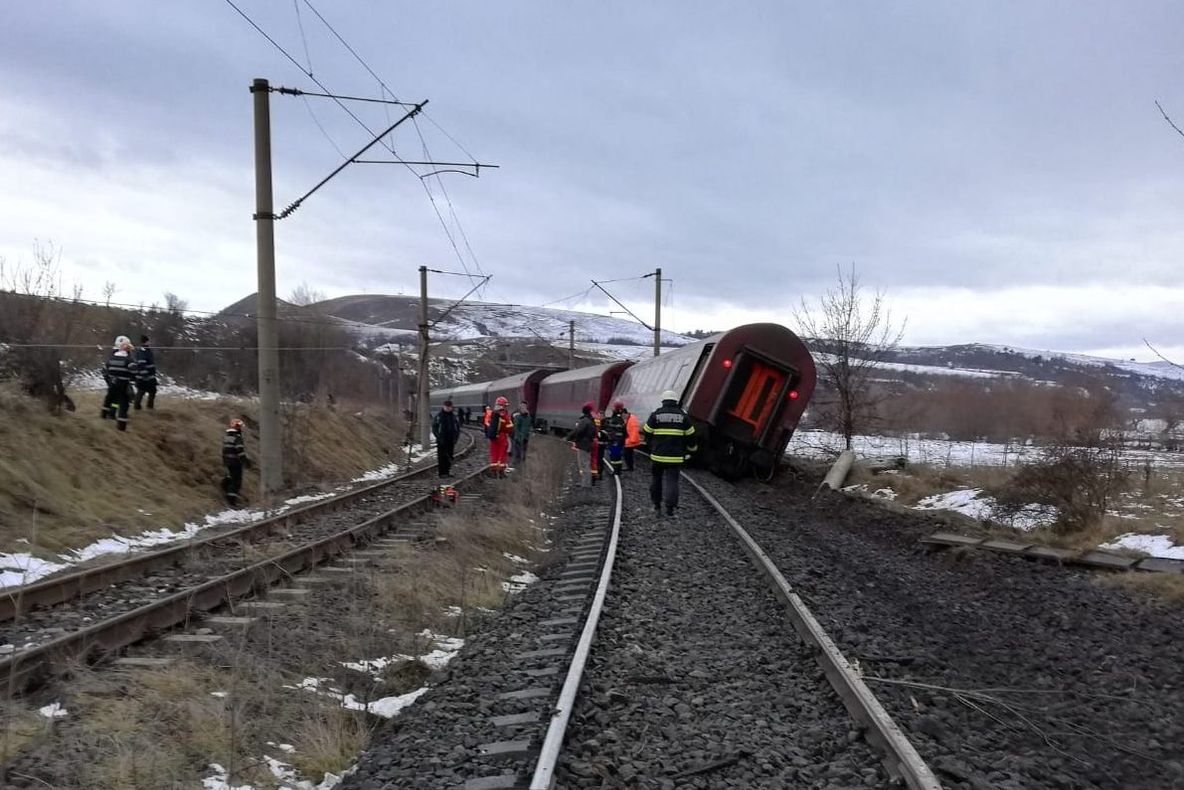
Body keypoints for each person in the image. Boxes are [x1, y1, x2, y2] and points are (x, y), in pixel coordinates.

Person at [642, 389, 697, 517]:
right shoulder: (683, 416)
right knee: (672, 481)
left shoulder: (656, 414)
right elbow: (692, 435)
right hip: (675, 457)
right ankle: (670, 509)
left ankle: (656, 506)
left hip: (658, 456)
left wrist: (651, 445)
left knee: (656, 479)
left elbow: (646, 431)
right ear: (676, 401)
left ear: (663, 401)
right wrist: (691, 449)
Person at [101, 335, 138, 431]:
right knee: (123, 403)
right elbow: (133, 370)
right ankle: (121, 425)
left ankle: (105, 416)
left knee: (110, 399)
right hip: (123, 383)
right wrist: (133, 377)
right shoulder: (127, 358)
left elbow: (105, 370)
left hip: (113, 383)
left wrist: (109, 380)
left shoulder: (111, 357)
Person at [565, 402, 597, 487]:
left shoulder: (584, 421)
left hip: (583, 445)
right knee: (585, 464)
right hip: (587, 444)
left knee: (584, 464)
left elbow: (578, 430)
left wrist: (568, 437)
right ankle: (585, 482)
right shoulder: (591, 420)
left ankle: (586, 484)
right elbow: (593, 433)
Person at [222, 418, 251, 505]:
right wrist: (245, 461)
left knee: (230, 478)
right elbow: (240, 451)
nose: (241, 429)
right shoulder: (237, 438)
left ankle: (226, 488)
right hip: (235, 462)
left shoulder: (227, 437)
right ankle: (231, 500)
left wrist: (224, 461)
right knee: (236, 481)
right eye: (240, 427)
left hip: (228, 461)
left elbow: (224, 450)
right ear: (237, 427)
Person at [485, 396, 513, 476]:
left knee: (494, 453)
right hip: (502, 437)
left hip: (493, 437)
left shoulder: (491, 414)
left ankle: (493, 472)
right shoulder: (504, 415)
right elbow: (509, 427)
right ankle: (501, 472)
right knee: (502, 454)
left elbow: (487, 424)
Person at [432, 400, 461, 477]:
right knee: (442, 456)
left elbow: (457, 428)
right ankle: (442, 473)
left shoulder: (453, 417)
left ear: (451, 407)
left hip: (451, 440)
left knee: (449, 456)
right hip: (442, 440)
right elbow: (434, 427)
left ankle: (447, 472)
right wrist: (438, 436)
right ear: (443, 407)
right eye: (446, 407)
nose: (448, 408)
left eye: (449, 407)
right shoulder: (439, 416)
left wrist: (456, 438)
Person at [133, 335, 157, 410]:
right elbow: (141, 364)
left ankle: (149, 406)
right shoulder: (142, 351)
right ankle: (137, 407)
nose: (150, 342)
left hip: (150, 376)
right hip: (144, 376)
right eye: (149, 341)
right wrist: (145, 375)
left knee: (152, 391)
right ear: (146, 341)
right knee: (141, 392)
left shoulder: (147, 350)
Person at [604, 401, 627, 476]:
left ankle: (616, 471)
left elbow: (616, 431)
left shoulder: (617, 419)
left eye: (614, 408)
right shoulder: (618, 418)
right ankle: (617, 470)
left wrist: (612, 438)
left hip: (615, 441)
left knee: (615, 456)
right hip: (616, 441)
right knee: (616, 456)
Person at [511, 401, 533, 467]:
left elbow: (528, 426)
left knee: (524, 452)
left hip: (525, 437)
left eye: (525, 406)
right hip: (517, 437)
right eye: (522, 406)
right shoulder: (516, 415)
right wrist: (517, 436)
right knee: (517, 452)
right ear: (520, 406)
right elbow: (516, 427)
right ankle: (516, 466)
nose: (523, 407)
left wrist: (528, 435)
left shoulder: (528, 416)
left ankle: (521, 466)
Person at [623, 406, 642, 471]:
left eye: (623, 415)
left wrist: (632, 440)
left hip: (630, 441)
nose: (623, 417)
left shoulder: (632, 419)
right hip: (629, 439)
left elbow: (634, 430)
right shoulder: (629, 418)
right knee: (628, 454)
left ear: (626, 413)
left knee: (627, 455)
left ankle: (630, 467)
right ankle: (630, 467)